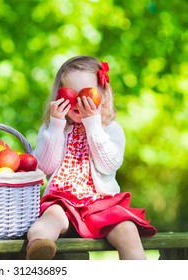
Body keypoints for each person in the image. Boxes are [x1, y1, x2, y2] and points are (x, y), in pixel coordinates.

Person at [26, 56, 156, 260]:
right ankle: (39, 248)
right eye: (71, 94)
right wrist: (56, 126)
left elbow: (109, 165)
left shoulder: (110, 129)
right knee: (46, 222)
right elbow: (44, 166)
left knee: (127, 230)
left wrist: (93, 124)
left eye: (86, 95)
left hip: (100, 203)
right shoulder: (53, 128)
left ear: (102, 95)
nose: (78, 102)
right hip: (63, 202)